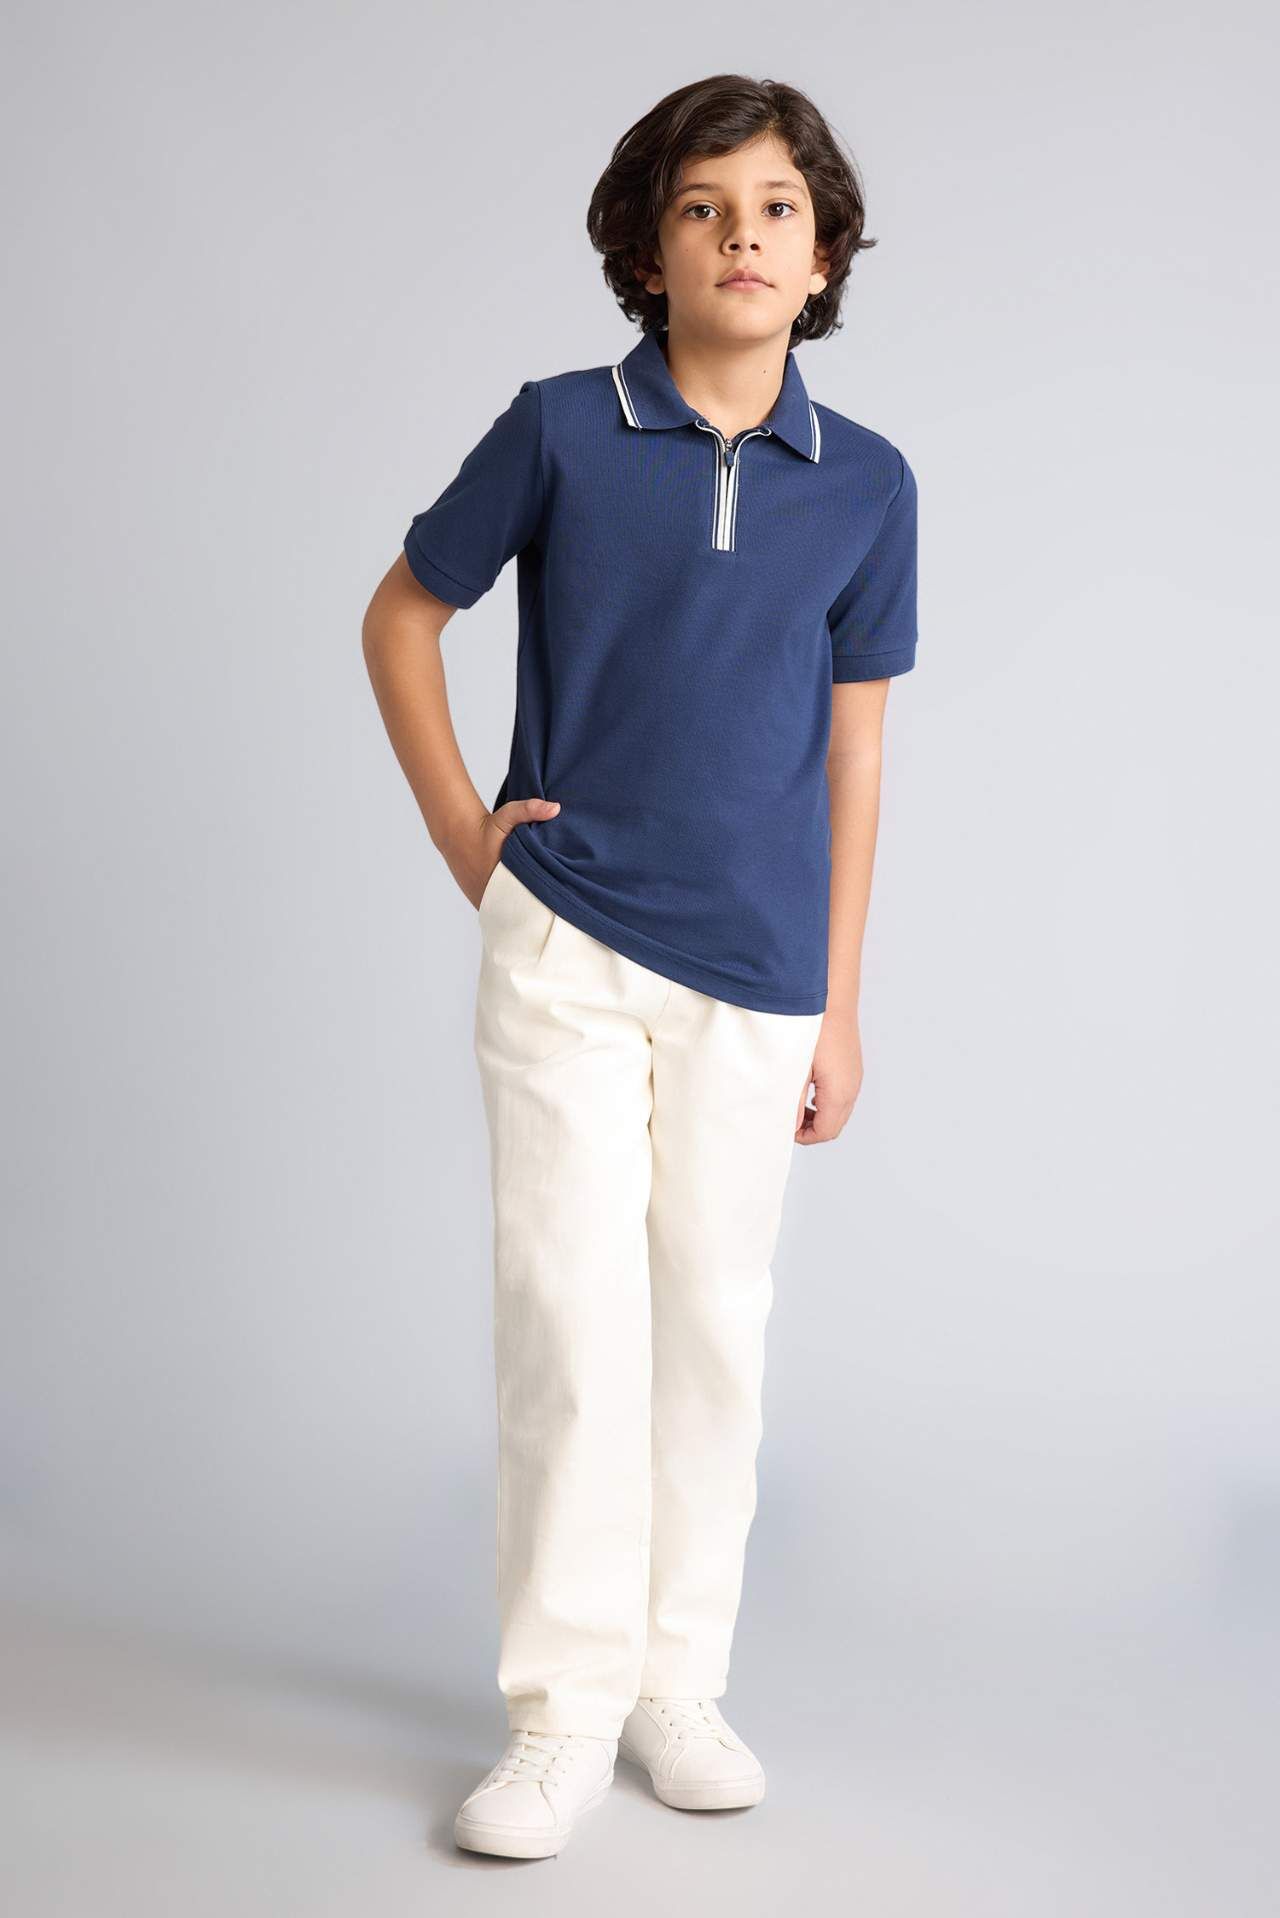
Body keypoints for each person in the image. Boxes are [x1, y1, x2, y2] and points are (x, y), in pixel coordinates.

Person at [361, 73, 919, 1860]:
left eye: (775, 208)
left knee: (712, 1325)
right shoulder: (560, 429)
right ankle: (560, 1709)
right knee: (568, 1317)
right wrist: (471, 841)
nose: (741, 235)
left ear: (822, 255)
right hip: (570, 947)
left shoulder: (870, 483)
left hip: (760, 970)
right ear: (648, 248)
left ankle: (680, 1680)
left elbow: (856, 750)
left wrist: (841, 996)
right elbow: (401, 616)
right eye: (702, 206)